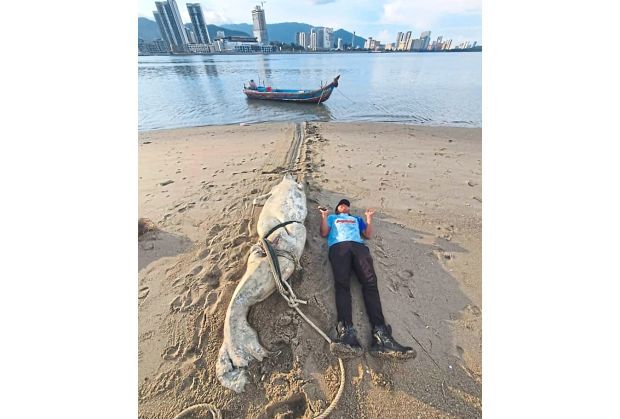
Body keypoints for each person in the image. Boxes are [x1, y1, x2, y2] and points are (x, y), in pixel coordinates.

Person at [319, 199, 416, 359]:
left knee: (370, 284)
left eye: (346, 205)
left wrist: (368, 218)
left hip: (359, 247)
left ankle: (382, 337)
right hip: (339, 247)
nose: (344, 205)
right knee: (342, 285)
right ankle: (347, 334)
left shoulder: (356, 219)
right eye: (341, 204)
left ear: (349, 209)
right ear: (337, 209)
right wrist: (324, 216)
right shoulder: (332, 218)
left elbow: (368, 234)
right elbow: (324, 233)